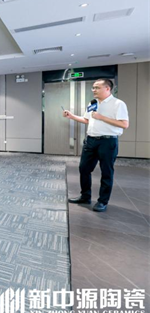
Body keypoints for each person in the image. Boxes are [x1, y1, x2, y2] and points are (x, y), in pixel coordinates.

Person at [63, 78, 129, 212]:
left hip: (107, 141)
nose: (94, 90)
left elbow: (124, 124)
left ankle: (102, 201)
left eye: (97, 87)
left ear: (107, 89)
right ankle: (85, 196)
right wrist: (72, 116)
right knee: (84, 169)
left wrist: (102, 117)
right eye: (93, 87)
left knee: (106, 172)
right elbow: (87, 120)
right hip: (91, 140)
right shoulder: (93, 103)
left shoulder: (118, 104)